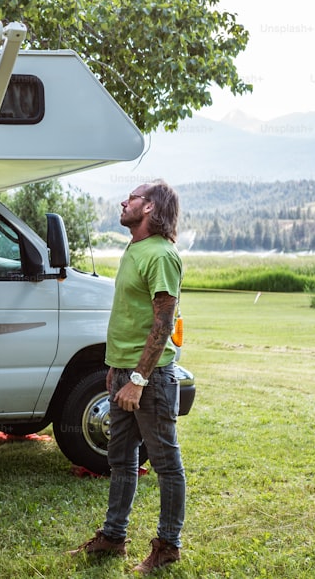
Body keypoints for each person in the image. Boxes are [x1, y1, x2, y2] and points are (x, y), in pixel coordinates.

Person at [69, 180, 186, 574]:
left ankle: (168, 546)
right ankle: (113, 538)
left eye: (132, 197)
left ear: (150, 207)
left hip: (149, 380)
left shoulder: (162, 254)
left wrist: (137, 378)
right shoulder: (135, 248)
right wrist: (115, 370)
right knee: (121, 461)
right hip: (124, 374)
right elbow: (129, 317)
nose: (125, 201)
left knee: (166, 464)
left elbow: (164, 321)